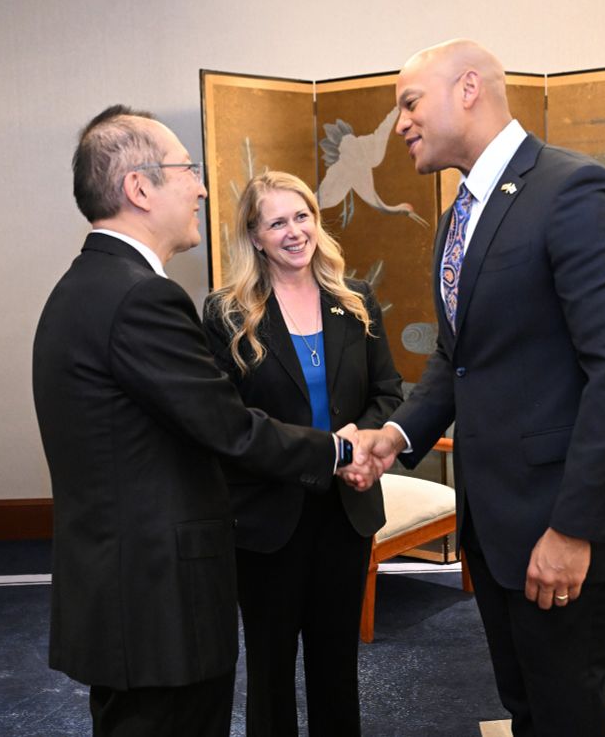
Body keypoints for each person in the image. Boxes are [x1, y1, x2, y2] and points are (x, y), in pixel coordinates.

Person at [350, 40, 605, 736]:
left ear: (468, 89)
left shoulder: (577, 191)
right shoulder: (463, 214)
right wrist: (395, 436)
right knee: (527, 707)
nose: (398, 123)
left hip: (560, 522)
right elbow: (460, 359)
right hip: (495, 522)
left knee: (565, 714)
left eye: (408, 102)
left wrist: (573, 528)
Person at [32, 106, 375, 737]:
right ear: (140, 188)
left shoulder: (87, 285)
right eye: (186, 169)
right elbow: (229, 427)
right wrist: (336, 451)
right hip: (158, 601)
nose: (201, 186)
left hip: (126, 590)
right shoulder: (142, 296)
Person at [202, 171, 403, 737]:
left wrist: (359, 445)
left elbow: (388, 393)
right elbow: (230, 424)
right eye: (277, 222)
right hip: (267, 516)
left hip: (347, 509)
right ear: (255, 236)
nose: (295, 232)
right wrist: (327, 451)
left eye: (303, 216)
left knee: (336, 663)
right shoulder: (227, 313)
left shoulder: (355, 299)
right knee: (270, 670)